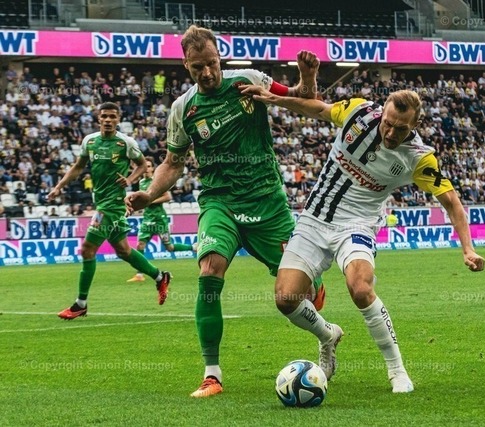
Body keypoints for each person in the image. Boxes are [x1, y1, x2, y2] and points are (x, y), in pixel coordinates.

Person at [240, 86, 485, 393]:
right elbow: (317, 108)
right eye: (388, 123)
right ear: (383, 112)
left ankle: (397, 370)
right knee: (285, 298)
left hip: (356, 225)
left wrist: (468, 249)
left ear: (415, 125)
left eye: (401, 128)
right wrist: (275, 99)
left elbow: (451, 202)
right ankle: (328, 334)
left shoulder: (418, 158)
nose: (391, 132)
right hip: (313, 220)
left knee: (360, 288)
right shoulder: (357, 112)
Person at [125, 25, 325, 398]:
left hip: (267, 201)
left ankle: (324, 329)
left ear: (220, 58)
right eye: (197, 67)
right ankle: (212, 374)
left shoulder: (248, 80)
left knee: (299, 295)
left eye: (212, 64)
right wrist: (149, 194)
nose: (206, 73)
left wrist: (308, 76)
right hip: (220, 201)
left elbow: (302, 99)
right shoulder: (182, 108)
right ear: (186, 65)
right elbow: (173, 162)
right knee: (209, 268)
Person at [48, 102, 171, 320]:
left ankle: (80, 304)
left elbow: (142, 165)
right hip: (102, 202)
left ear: (118, 119)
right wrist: (59, 186)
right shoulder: (90, 141)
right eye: (104, 116)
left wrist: (130, 180)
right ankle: (160, 277)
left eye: (112, 116)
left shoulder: (125, 143)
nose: (108, 120)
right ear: (98, 118)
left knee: (87, 249)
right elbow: (78, 167)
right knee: (123, 251)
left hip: (112, 205)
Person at [127, 159, 198, 282]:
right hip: (147, 219)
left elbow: (167, 197)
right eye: (145, 166)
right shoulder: (141, 183)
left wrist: (150, 201)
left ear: (152, 169)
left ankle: (193, 247)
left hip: (160, 219)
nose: (146, 169)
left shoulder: (157, 181)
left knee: (169, 247)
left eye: (149, 166)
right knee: (140, 245)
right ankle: (139, 275)